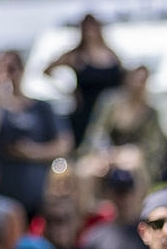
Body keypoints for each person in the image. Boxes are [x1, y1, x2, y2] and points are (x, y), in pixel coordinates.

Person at [0, 51, 71, 222]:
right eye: (4, 69)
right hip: (3, 201)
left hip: (39, 199)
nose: (10, 74)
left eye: (13, 68)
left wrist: (31, 152)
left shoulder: (41, 107)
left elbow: (64, 145)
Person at [80, 66, 167, 189]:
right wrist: (104, 152)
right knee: (84, 171)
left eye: (142, 80)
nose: (138, 84)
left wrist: (130, 153)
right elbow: (95, 133)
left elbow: (153, 145)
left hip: (135, 159)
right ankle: (88, 208)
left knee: (135, 170)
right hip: (105, 154)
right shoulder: (109, 103)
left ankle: (134, 208)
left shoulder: (150, 112)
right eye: (135, 79)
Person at [46, 15, 124, 149]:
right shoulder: (77, 56)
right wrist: (67, 88)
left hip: (112, 114)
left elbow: (123, 77)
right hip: (87, 113)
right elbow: (48, 69)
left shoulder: (111, 54)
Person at [73, 168, 149, 249]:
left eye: (127, 192)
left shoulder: (149, 231)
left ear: (135, 193)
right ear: (109, 194)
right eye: (118, 192)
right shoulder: (95, 235)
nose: (124, 198)